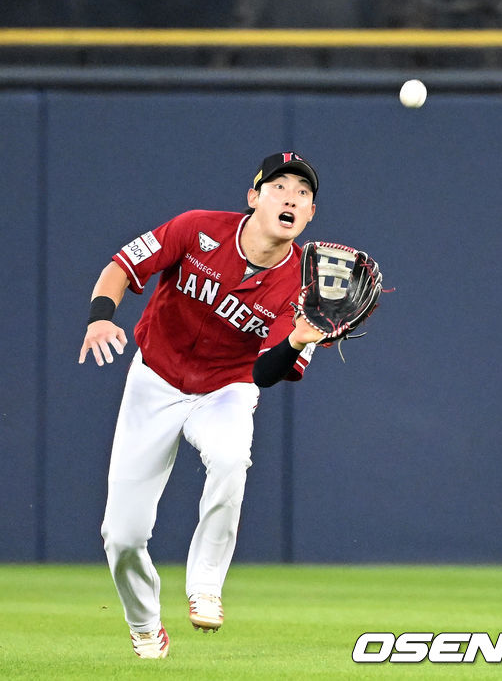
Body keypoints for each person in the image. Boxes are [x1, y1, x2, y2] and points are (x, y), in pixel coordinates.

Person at [79, 152, 324, 658]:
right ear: (254, 198)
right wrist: (101, 317)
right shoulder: (195, 229)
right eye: (280, 187)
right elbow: (121, 267)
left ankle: (206, 584)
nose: (291, 198)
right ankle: (145, 625)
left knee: (233, 457)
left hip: (227, 388)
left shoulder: (302, 285)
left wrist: (298, 341)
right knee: (121, 535)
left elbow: (264, 374)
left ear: (309, 216)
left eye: (303, 194)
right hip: (154, 379)